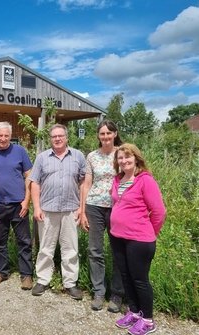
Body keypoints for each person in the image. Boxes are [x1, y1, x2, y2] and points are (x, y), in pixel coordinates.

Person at [110, 143, 166, 335]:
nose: (124, 160)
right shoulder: (118, 179)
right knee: (126, 276)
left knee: (140, 279)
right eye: (120, 158)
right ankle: (134, 312)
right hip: (118, 237)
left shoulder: (145, 180)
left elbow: (158, 212)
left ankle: (148, 320)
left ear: (136, 158)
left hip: (139, 240)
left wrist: (149, 233)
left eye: (127, 157)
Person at [29, 124, 85, 299]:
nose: (58, 139)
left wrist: (82, 208)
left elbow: (84, 183)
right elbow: (35, 183)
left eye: (60, 136)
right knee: (46, 247)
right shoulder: (42, 158)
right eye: (54, 136)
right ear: (50, 139)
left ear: (67, 137)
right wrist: (36, 207)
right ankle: (43, 279)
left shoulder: (78, 156)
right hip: (47, 209)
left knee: (71, 248)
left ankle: (70, 283)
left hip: (71, 209)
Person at [79, 120, 125, 312]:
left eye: (109, 133)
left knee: (119, 252)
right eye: (102, 133)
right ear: (98, 136)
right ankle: (99, 291)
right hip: (95, 206)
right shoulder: (92, 156)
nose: (105, 137)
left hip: (118, 208)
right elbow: (86, 184)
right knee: (95, 249)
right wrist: (82, 211)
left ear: (115, 134)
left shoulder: (123, 153)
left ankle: (117, 293)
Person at [0, 122, 33, 290]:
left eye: (6, 135)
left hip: (19, 204)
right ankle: (1, 271)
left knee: (24, 241)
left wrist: (26, 201)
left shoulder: (20, 151)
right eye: (0, 135)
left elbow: (29, 176)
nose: (3, 138)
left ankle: (26, 275)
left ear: (10, 136)